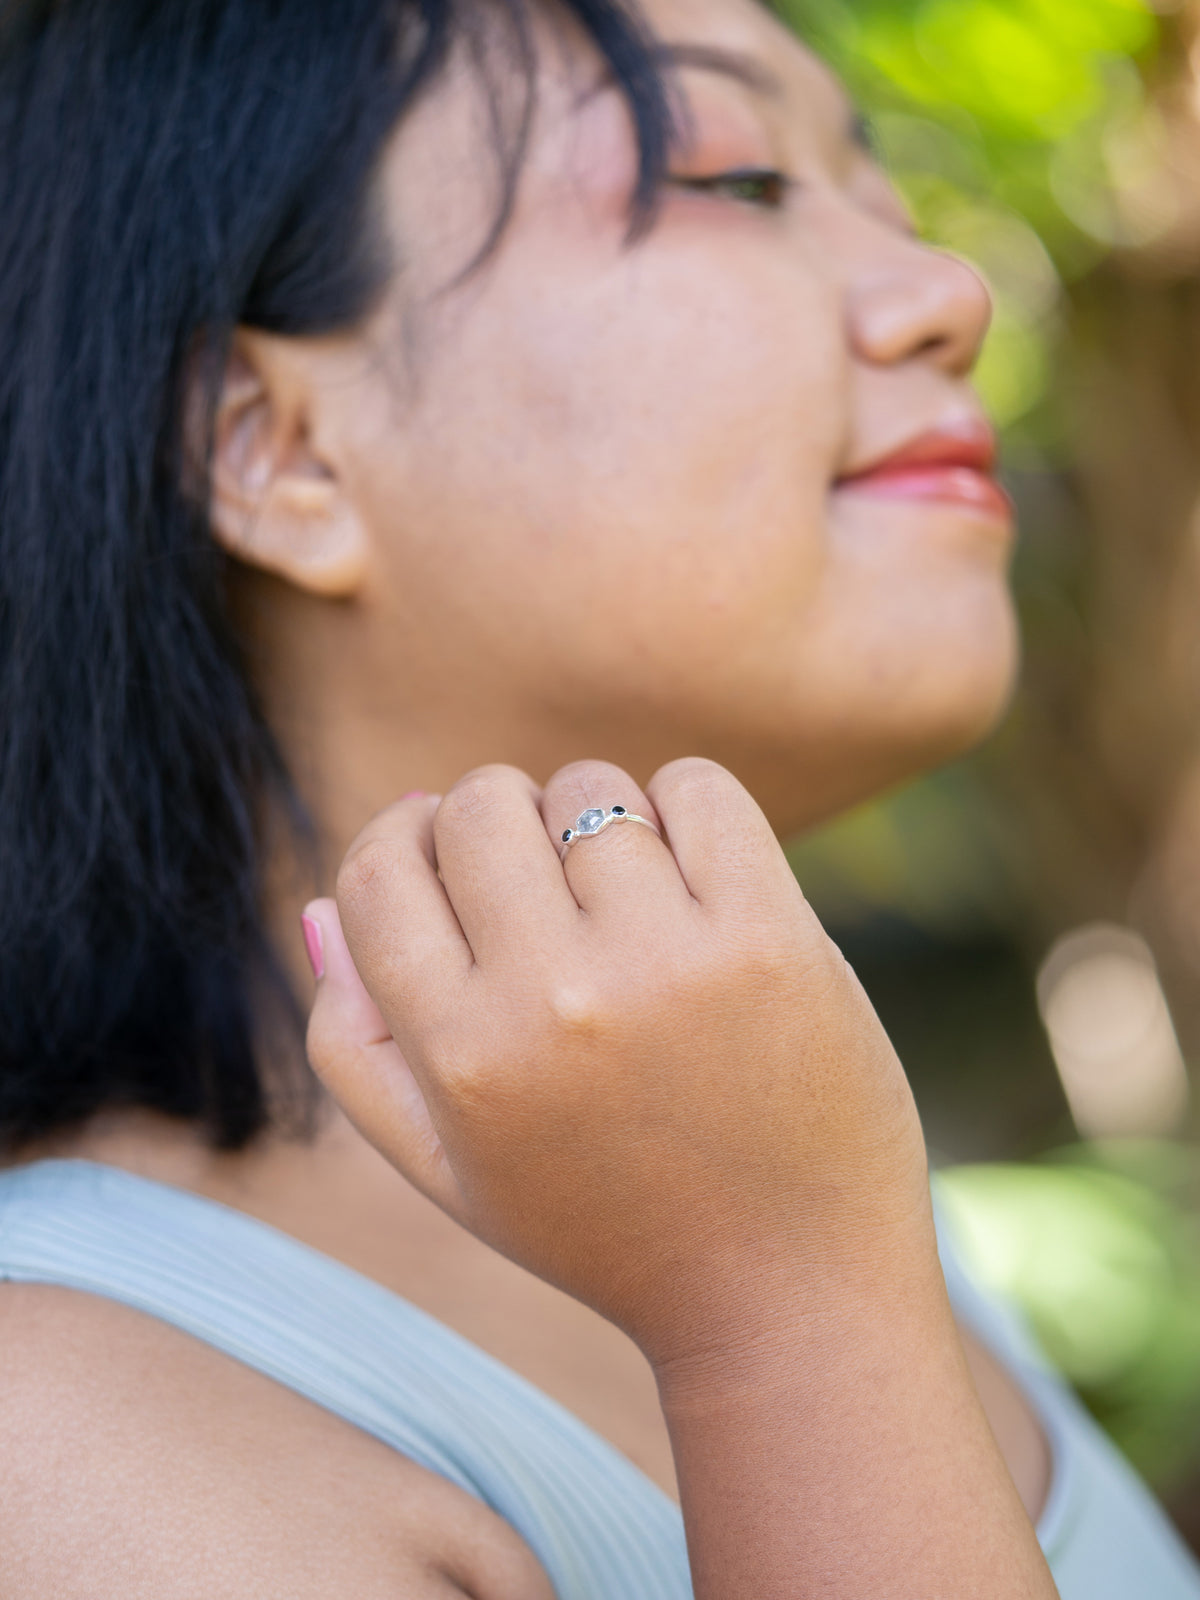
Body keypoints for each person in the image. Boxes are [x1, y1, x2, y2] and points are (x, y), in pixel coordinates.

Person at [0, 0, 1195, 1594]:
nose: (949, 296)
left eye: (895, 203)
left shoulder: (777, 1163)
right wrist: (782, 1313)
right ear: (274, 450)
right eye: (741, 181)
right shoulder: (63, 1445)